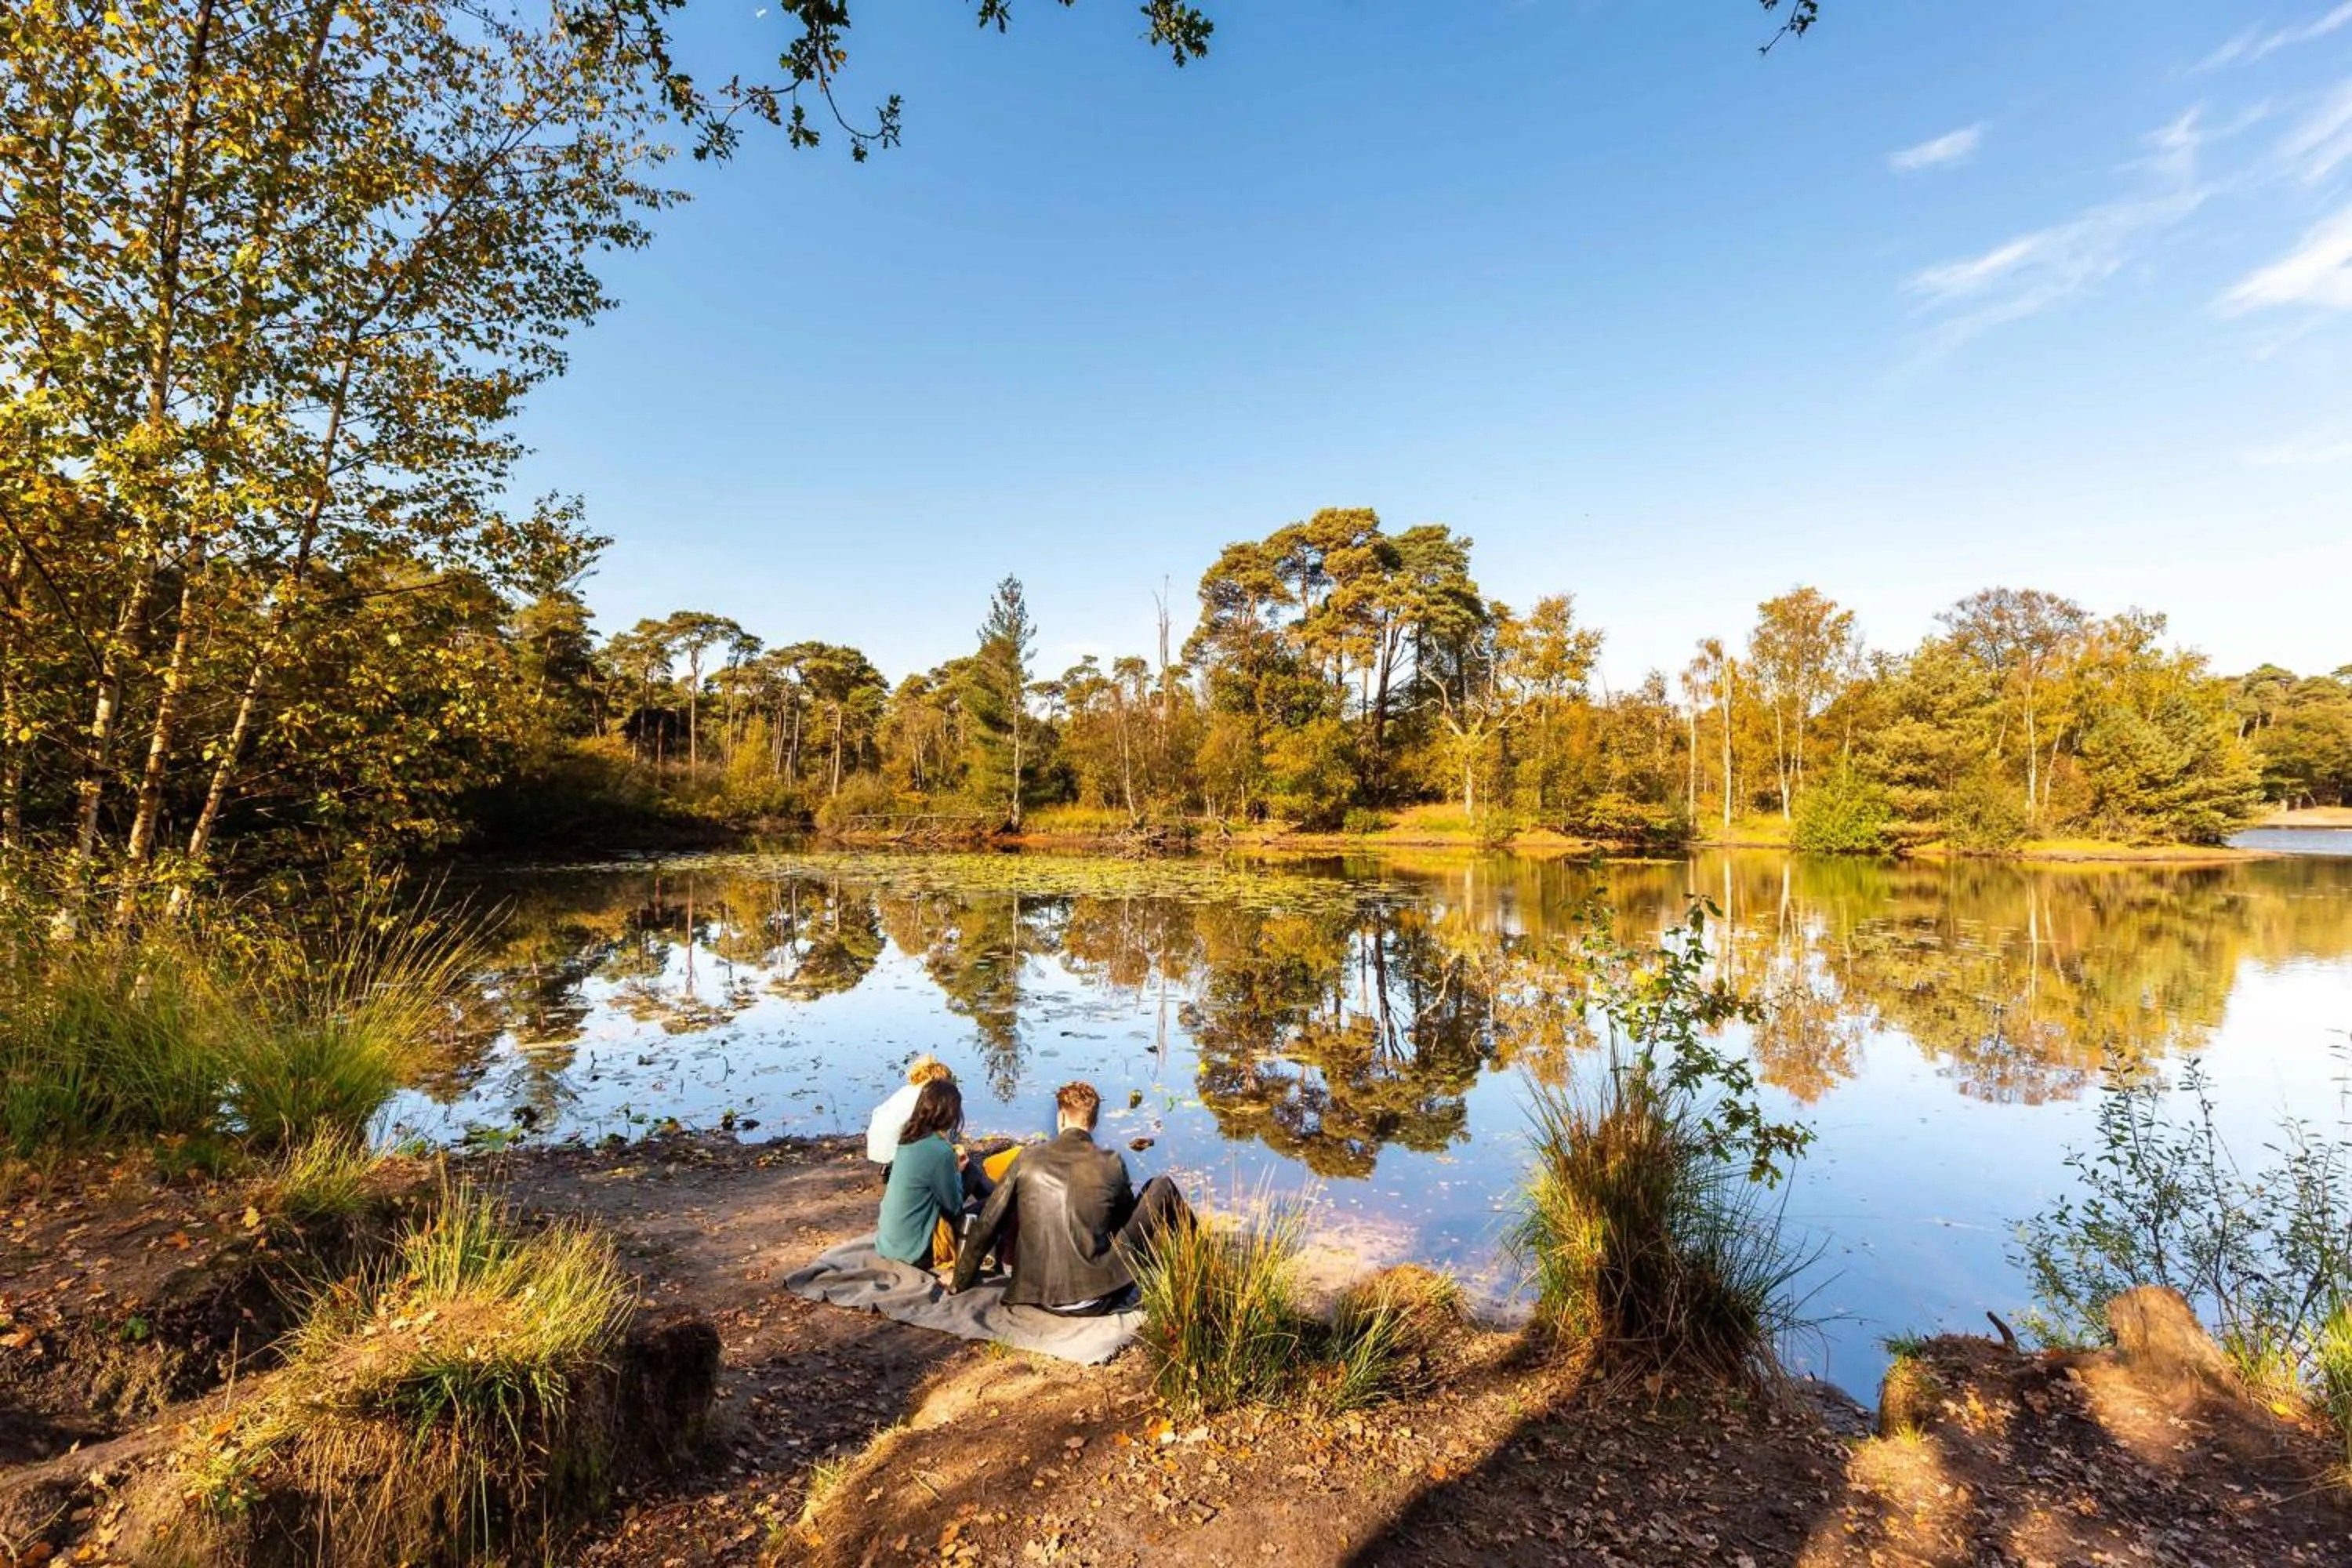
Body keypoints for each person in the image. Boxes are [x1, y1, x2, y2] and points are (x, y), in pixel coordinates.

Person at [949, 1080, 1192, 1313]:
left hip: (1037, 1293)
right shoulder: (1111, 1162)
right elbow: (1121, 1225)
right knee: (1161, 1186)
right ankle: (1199, 1265)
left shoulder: (1027, 1158)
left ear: (1061, 1117)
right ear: (1094, 1123)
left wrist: (959, 1281)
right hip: (1096, 1296)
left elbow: (988, 1223)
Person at [875, 1078, 967, 1267]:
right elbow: (954, 1207)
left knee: (973, 1174)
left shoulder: (908, 1138)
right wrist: (957, 1170)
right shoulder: (940, 1152)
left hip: (889, 1244)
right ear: (950, 1114)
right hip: (915, 1252)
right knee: (990, 1207)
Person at [866, 1056, 954, 1174]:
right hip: (899, 1152)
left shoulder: (906, 1090)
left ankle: (891, 1167)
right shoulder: (929, 1096)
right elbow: (937, 1130)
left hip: (876, 1148)